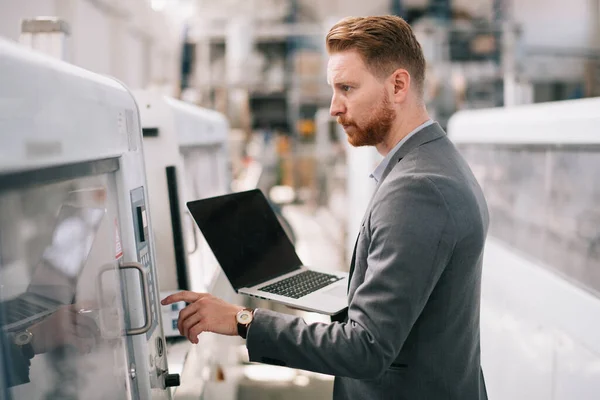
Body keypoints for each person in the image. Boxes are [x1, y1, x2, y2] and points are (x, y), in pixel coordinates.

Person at [162, 15, 489, 400]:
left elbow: (365, 348)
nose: (335, 108)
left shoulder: (417, 189)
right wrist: (354, 289)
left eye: (347, 88)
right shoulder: (435, 160)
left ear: (398, 85)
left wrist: (241, 320)